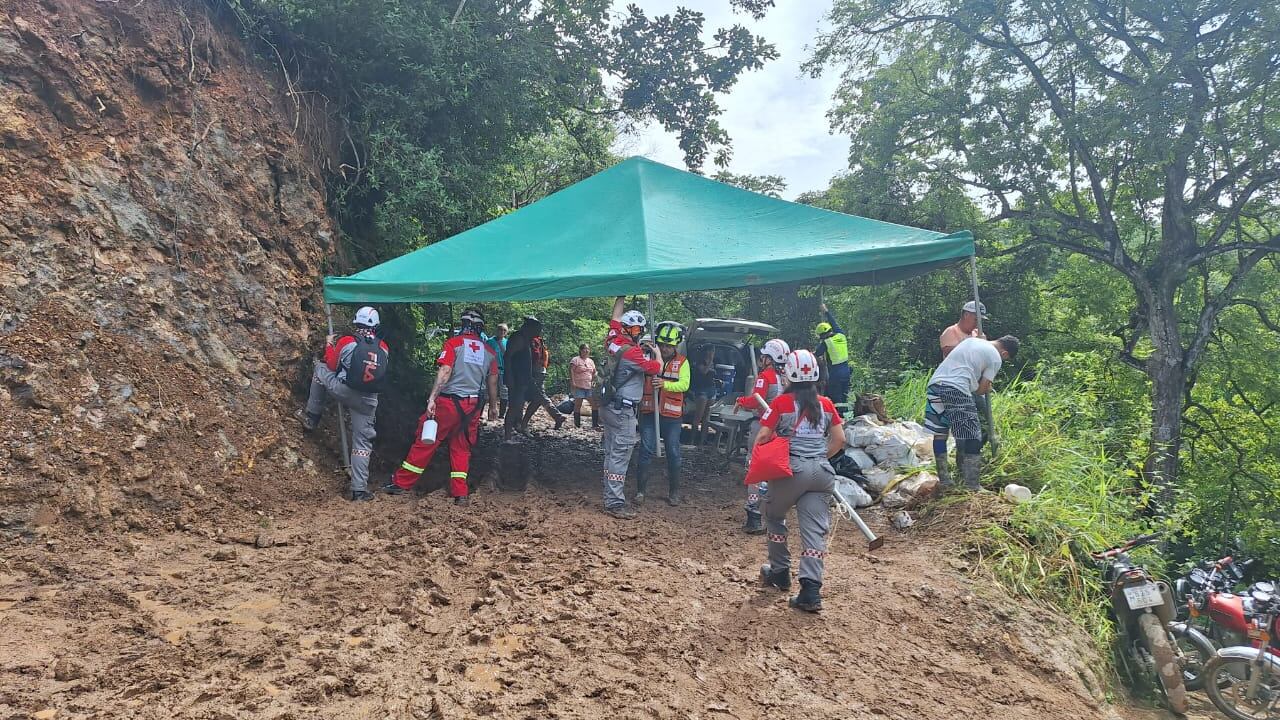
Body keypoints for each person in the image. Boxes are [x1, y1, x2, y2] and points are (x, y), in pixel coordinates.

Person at [755, 349, 846, 613]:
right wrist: (819, 456)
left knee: (773, 514)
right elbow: (840, 440)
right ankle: (810, 590)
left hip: (791, 471)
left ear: (788, 374)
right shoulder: (827, 404)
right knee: (814, 531)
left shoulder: (781, 404)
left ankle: (780, 571)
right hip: (822, 473)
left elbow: (762, 436)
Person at [383, 308, 499, 505]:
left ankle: (402, 483)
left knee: (426, 440)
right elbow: (493, 381)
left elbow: (445, 371)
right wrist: (494, 407)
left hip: (448, 403)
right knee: (462, 447)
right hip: (472, 406)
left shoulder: (454, 344)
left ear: (463, 325)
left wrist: (431, 398)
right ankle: (460, 492)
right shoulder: (489, 352)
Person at [295, 306, 389, 502]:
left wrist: (329, 345)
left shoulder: (347, 341)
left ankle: (312, 416)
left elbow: (331, 365)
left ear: (356, 323)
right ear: (376, 325)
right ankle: (359, 491)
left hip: (345, 391)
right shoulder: (383, 347)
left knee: (320, 369)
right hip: (369, 400)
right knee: (362, 444)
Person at [924, 335, 1020, 491]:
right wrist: (986, 387)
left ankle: (945, 481)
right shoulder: (996, 358)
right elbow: (981, 389)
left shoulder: (970, 341)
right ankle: (972, 485)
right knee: (973, 435)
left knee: (940, 434)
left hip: (935, 385)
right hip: (956, 388)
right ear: (1004, 353)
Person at [599, 296, 661, 519]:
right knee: (620, 455)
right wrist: (658, 355)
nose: (637, 331)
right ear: (631, 329)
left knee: (610, 453)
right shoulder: (633, 352)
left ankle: (609, 496)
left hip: (609, 407)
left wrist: (620, 296)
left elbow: (614, 318)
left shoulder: (613, 340)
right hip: (623, 410)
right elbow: (655, 369)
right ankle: (615, 502)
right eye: (636, 328)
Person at [734, 338, 789, 535]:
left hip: (764, 426)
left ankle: (754, 514)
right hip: (782, 429)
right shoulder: (786, 378)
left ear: (769, 358)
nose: (760, 359)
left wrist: (740, 400)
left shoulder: (765, 377)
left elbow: (755, 401)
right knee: (775, 472)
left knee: (755, 469)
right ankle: (775, 514)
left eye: (763, 356)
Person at [637, 322, 690, 506]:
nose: (665, 349)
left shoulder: (683, 362)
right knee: (645, 451)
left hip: (672, 417)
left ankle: (674, 492)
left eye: (669, 346)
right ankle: (640, 491)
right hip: (649, 413)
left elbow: (684, 385)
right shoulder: (649, 359)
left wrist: (665, 384)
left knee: (673, 453)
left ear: (675, 345)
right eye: (662, 345)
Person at [502, 316, 541, 442]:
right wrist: (509, 377)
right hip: (517, 379)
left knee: (537, 399)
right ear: (530, 328)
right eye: (537, 329)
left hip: (527, 378)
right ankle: (507, 436)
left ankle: (523, 425)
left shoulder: (528, 339)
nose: (539, 332)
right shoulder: (518, 339)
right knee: (514, 406)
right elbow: (507, 357)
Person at [519, 330, 567, 430]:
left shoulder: (534, 340)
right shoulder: (538, 341)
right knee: (539, 397)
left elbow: (535, 356)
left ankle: (523, 423)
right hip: (539, 371)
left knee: (539, 397)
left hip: (536, 371)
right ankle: (556, 416)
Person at [814, 302, 851, 411]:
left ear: (823, 335)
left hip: (835, 374)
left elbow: (816, 355)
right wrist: (826, 311)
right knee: (845, 397)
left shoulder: (827, 342)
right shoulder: (841, 335)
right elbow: (834, 323)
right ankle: (846, 417)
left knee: (835, 398)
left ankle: (838, 418)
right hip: (846, 371)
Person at [688, 347, 717, 446]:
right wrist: (709, 361)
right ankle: (692, 440)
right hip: (702, 391)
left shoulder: (715, 362)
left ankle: (702, 441)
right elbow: (704, 372)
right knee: (698, 416)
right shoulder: (700, 362)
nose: (711, 353)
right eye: (710, 352)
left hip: (711, 390)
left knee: (707, 418)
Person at [569, 343, 600, 429]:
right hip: (579, 386)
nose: (586, 351)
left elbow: (594, 372)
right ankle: (577, 424)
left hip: (589, 386)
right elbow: (571, 370)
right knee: (578, 404)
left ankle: (595, 424)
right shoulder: (575, 360)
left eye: (588, 349)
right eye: (584, 349)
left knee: (594, 404)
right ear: (580, 351)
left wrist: (595, 379)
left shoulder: (591, 361)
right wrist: (573, 382)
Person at [483, 323, 509, 418]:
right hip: (490, 370)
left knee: (504, 392)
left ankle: (501, 414)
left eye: (504, 330)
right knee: (486, 391)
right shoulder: (489, 342)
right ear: (497, 330)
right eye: (500, 330)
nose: (502, 332)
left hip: (503, 371)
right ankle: (482, 413)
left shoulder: (508, 342)